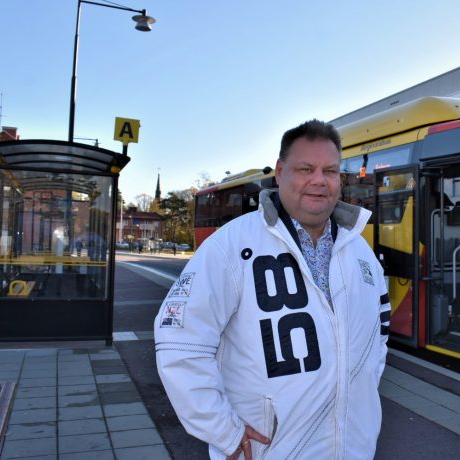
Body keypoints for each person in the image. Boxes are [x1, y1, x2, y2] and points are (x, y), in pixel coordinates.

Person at [155, 119, 391, 459]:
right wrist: (224, 432)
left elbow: (378, 339)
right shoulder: (232, 246)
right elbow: (179, 342)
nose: (319, 181)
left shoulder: (361, 253)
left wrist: (360, 399)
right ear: (280, 173)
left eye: (330, 170)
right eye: (305, 168)